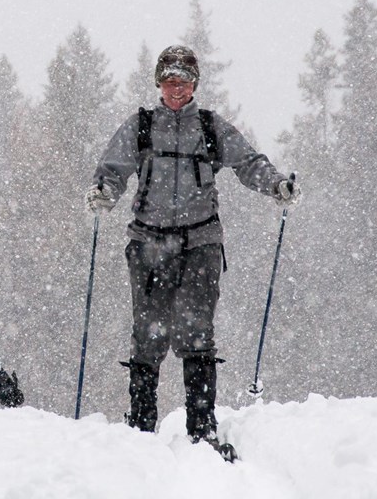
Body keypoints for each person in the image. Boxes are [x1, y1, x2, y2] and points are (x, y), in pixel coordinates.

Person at [85, 45, 299, 459]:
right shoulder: (141, 126)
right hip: (148, 243)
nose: (176, 89)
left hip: (200, 244)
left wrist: (276, 185)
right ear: (159, 84)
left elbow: (248, 162)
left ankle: (202, 429)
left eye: (183, 81)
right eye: (169, 81)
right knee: (148, 335)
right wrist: (103, 194)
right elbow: (112, 170)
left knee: (196, 332)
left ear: (195, 84)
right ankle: (141, 427)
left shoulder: (211, 127)